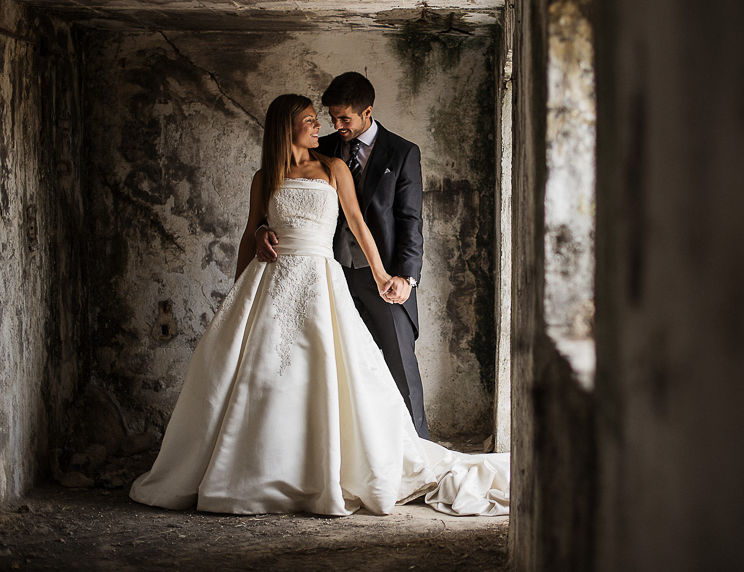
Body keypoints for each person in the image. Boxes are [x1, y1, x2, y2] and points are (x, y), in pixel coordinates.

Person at [129, 94, 508, 517]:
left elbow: (360, 225)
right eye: (309, 121)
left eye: (317, 119)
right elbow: (252, 227)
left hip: (321, 279)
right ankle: (259, 472)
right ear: (286, 129)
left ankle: (325, 470)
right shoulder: (265, 177)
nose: (318, 127)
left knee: (331, 372)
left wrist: (384, 276)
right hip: (271, 280)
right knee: (265, 379)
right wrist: (239, 285)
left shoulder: (333, 168)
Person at [255, 73, 429, 440]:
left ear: (367, 112)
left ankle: (418, 446)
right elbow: (279, 200)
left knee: (399, 365)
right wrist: (262, 230)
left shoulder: (402, 152)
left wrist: (404, 278)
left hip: (381, 274)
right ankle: (348, 448)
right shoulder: (324, 147)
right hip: (328, 274)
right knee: (339, 367)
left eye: (344, 119)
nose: (336, 126)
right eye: (331, 117)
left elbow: (410, 221)